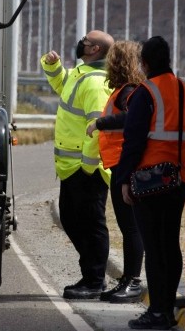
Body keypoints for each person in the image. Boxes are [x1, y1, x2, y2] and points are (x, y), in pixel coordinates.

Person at [112, 36, 185, 330]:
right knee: (170, 244)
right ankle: (167, 308)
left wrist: (125, 178)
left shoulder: (145, 92)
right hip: (179, 179)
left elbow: (133, 140)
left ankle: (158, 312)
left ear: (146, 63)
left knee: (154, 248)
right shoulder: (184, 90)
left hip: (149, 181)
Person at [41, 30, 114, 300]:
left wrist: (88, 165)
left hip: (86, 169)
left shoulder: (95, 83)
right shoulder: (80, 74)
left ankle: (94, 281)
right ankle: (91, 273)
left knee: (91, 223)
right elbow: (64, 88)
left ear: (94, 49)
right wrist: (53, 67)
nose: (80, 42)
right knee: (72, 220)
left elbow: (97, 129)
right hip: (72, 168)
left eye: (85, 40)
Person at [85, 41, 147, 304]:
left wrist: (101, 122)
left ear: (118, 63)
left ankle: (133, 281)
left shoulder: (128, 92)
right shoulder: (124, 90)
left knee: (131, 228)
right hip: (119, 165)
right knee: (127, 226)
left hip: (126, 165)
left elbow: (133, 118)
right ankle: (127, 279)